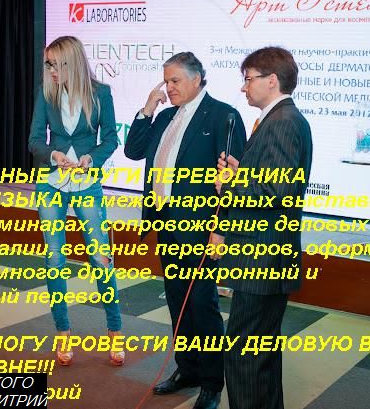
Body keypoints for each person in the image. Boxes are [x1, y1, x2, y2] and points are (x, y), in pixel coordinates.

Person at [124, 52, 246, 409]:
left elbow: (232, 182)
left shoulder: (223, 116)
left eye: (175, 80)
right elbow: (133, 150)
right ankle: (187, 369)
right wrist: (147, 109)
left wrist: (220, 230)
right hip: (165, 221)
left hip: (200, 228)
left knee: (202, 304)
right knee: (177, 301)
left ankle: (212, 382)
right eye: (166, 81)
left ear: (196, 79)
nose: (169, 87)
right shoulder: (164, 116)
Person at [212, 46, 313, 409]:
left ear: (272, 80)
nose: (244, 87)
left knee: (244, 356)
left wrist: (231, 184)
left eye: (249, 79)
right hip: (264, 255)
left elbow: (277, 191)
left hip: (260, 258)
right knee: (260, 354)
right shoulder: (281, 119)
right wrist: (243, 172)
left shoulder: (282, 122)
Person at [28, 35, 124, 366]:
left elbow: (110, 139)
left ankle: (115, 330)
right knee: (55, 259)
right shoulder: (45, 93)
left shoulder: (101, 94)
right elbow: (35, 140)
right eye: (49, 65)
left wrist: (91, 159)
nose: (51, 71)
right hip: (50, 183)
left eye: (56, 64)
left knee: (100, 257)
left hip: (86, 182)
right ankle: (63, 331)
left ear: (73, 62)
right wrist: (53, 155)